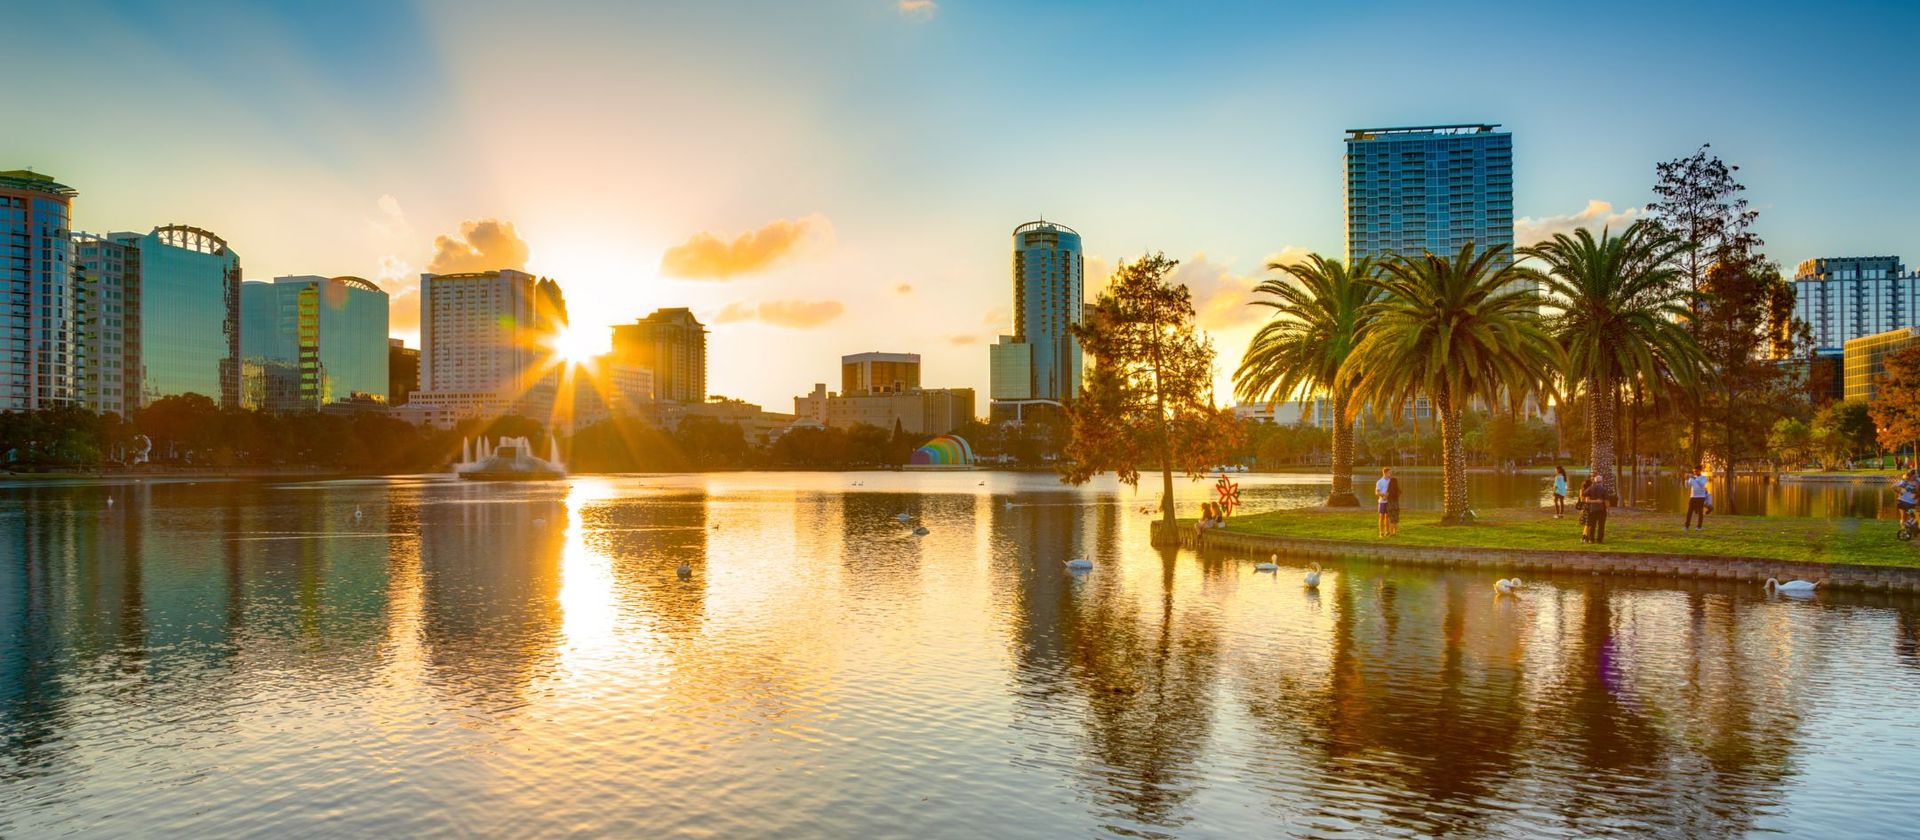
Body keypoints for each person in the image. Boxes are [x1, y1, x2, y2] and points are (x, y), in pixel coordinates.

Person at [1583, 475, 1611, 544]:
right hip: (1601, 509)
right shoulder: (1603, 489)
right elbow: (1606, 501)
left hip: (1592, 509)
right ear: (1602, 481)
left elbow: (1584, 495)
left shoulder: (1590, 488)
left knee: (1592, 524)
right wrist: (1608, 509)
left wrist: (1593, 500)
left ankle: (1591, 539)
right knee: (1601, 525)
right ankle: (1599, 540)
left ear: (1595, 481)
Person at [1684, 466, 1710, 531]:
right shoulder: (1692, 478)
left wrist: (1695, 478)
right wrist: (1686, 480)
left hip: (1701, 497)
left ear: (1700, 471)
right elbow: (1687, 486)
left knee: (1700, 512)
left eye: (1696, 471)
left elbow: (1702, 484)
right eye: (1694, 471)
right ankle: (1686, 527)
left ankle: (1699, 527)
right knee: (1689, 512)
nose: (1695, 472)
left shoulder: (1704, 478)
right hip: (1693, 497)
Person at [1375, 467, 1394, 538]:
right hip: (1382, 502)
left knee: (1388, 517)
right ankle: (1381, 532)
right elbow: (1377, 492)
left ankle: (1387, 531)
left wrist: (1388, 495)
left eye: (1391, 472)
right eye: (1390, 472)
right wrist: (1383, 495)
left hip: (1389, 501)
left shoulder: (1391, 481)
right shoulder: (1379, 481)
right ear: (1385, 473)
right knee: (1381, 517)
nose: (1391, 474)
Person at [1385, 469, 1403, 535]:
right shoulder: (1397, 490)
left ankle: (1391, 532)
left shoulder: (1389, 490)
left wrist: (1382, 496)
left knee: (1391, 519)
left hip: (1390, 505)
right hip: (1396, 505)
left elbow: (1385, 497)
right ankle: (1395, 532)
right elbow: (1400, 493)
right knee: (1396, 520)